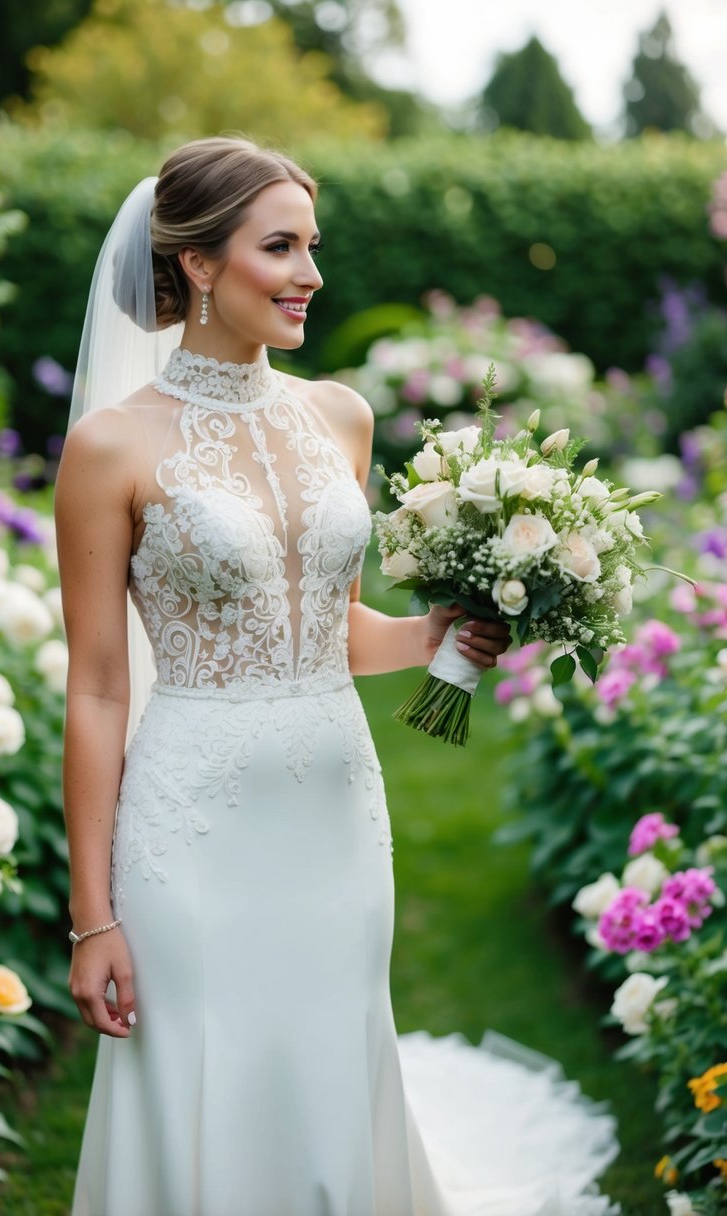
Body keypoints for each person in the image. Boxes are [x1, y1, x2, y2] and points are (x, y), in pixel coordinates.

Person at [55, 136, 618, 1216]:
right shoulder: (109, 449)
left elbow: (326, 627)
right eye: (281, 247)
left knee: (328, 1042)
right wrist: (93, 916)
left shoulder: (339, 416)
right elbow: (95, 687)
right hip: (190, 819)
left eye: (312, 244)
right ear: (201, 265)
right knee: (202, 1058)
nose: (311, 272)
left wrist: (441, 632)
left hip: (336, 809)